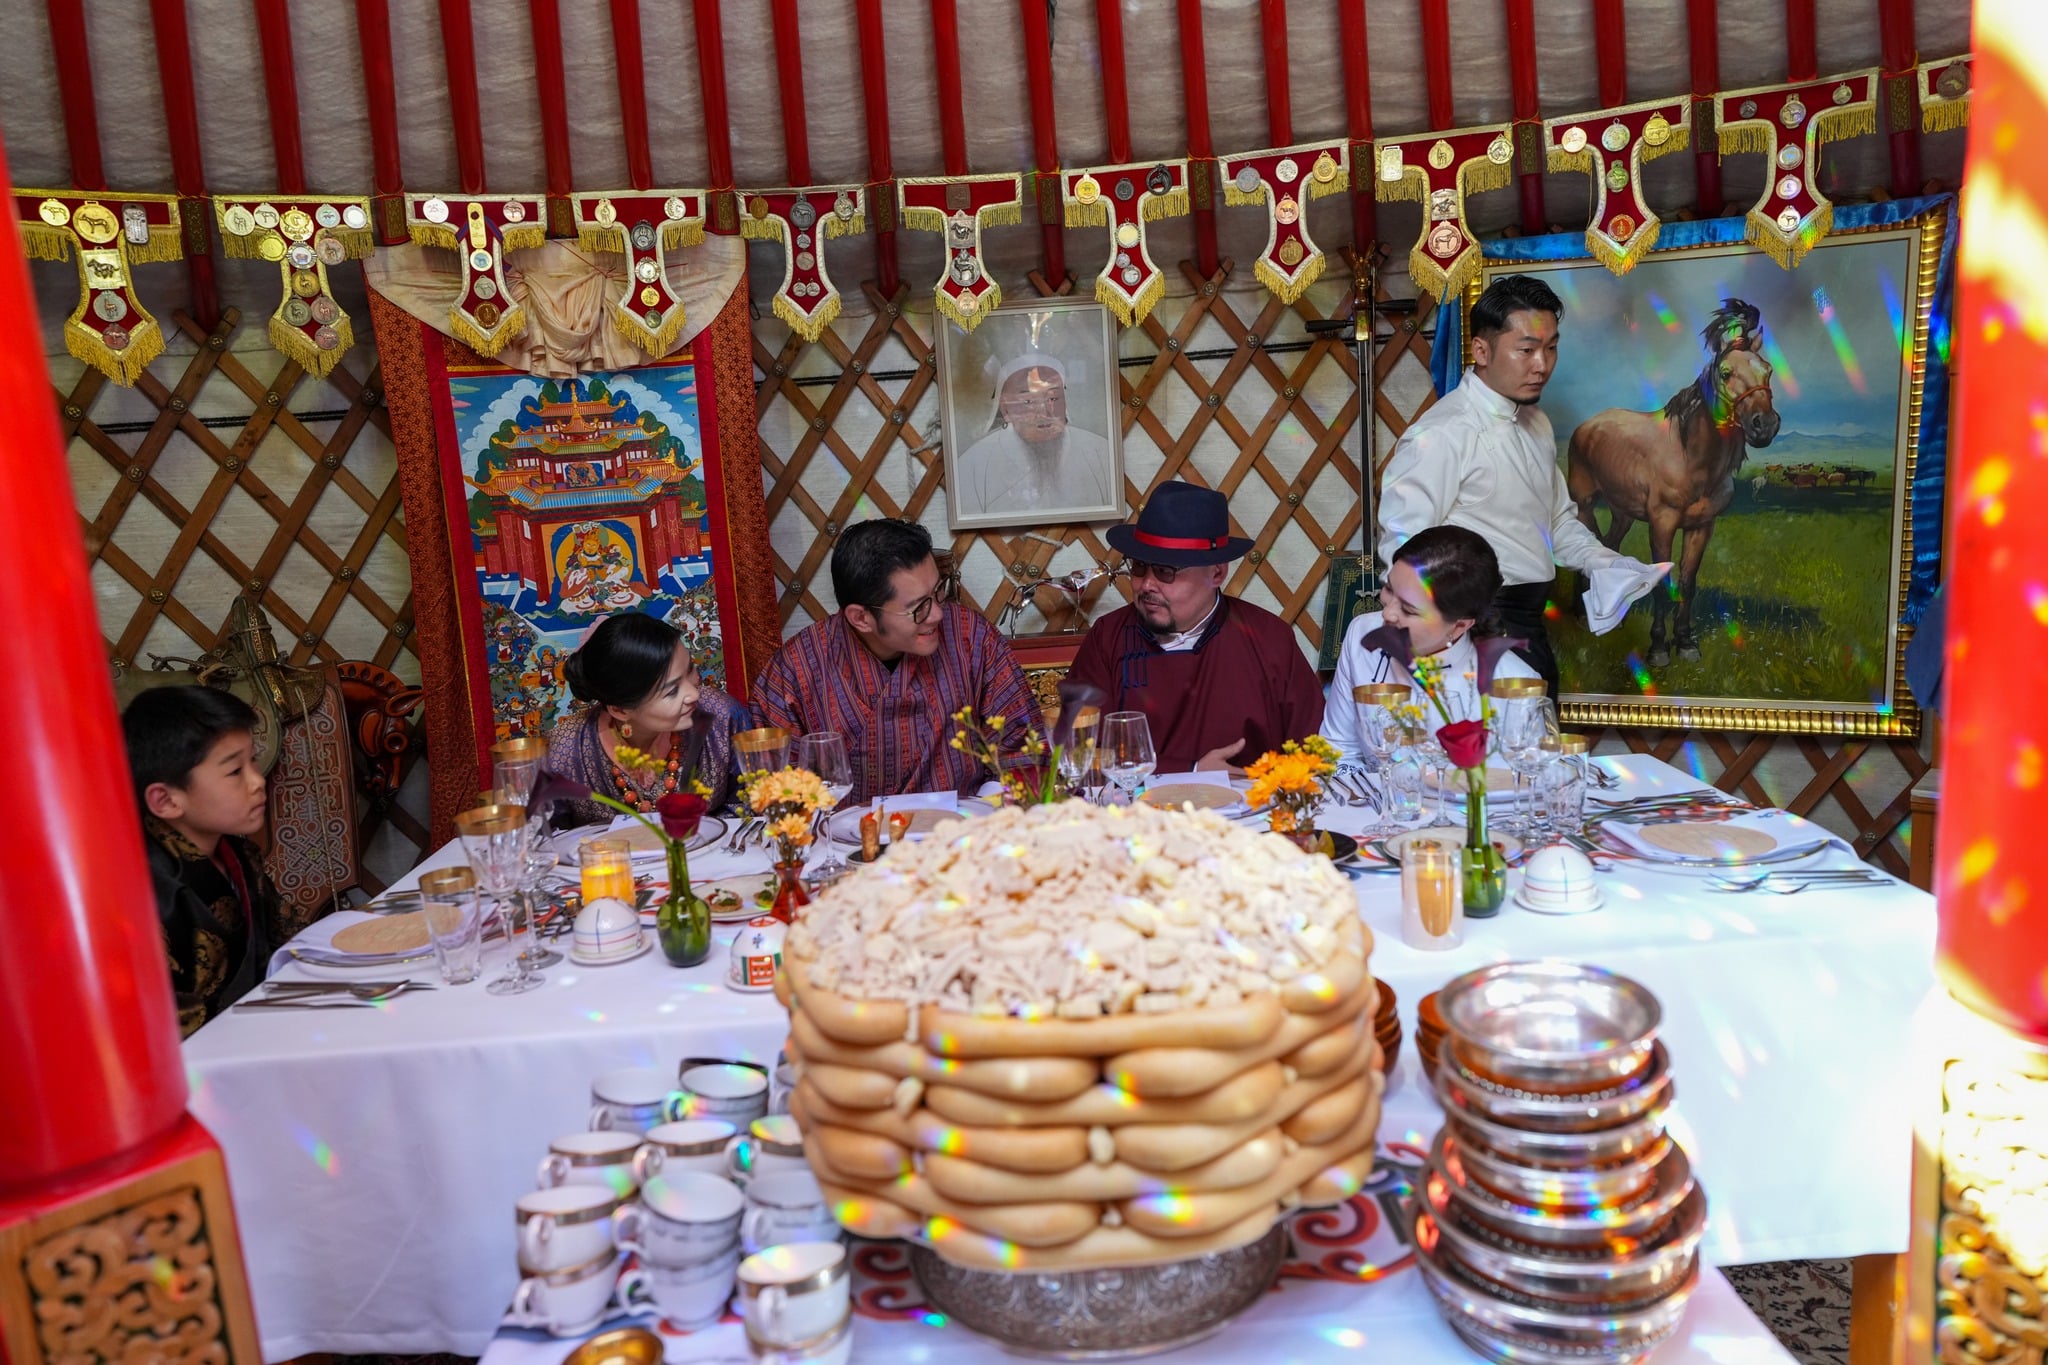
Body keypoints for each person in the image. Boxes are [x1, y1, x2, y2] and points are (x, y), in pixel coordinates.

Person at [1377, 272, 1669, 695]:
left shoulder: (1536, 424)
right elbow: (1401, 549)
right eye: (1527, 350)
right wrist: (1441, 646)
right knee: (1480, 760)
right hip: (1467, 637)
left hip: (1529, 626)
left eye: (1551, 349)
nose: (1542, 365)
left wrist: (1605, 562)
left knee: (1532, 755)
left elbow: (1556, 522)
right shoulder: (1441, 434)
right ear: (1481, 349)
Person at [752, 517, 1040, 803]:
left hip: (963, 833)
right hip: (845, 842)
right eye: (918, 607)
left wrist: (981, 813)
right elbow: (777, 791)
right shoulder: (795, 670)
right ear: (861, 618)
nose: (938, 614)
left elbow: (1023, 754)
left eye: (939, 592)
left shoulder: (972, 637)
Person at [1065, 481, 1324, 773]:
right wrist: (1192, 771)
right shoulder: (1108, 638)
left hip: (1250, 814)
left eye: (1165, 570)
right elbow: (1077, 754)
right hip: (1140, 814)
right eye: (1138, 567)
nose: (1147, 585)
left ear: (1217, 572)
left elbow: (1312, 751)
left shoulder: (1268, 638)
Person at [122, 685, 290, 1038]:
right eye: (234, 772)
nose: (258, 781)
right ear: (165, 801)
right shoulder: (145, 894)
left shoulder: (237, 852)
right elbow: (166, 1029)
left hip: (268, 1028)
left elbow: (286, 937)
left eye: (253, 761)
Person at [1322, 525, 1540, 767]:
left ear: (1459, 626)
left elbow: (1528, 783)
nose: (1388, 613)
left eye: (1408, 609)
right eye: (1388, 589)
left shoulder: (1513, 683)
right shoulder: (1362, 634)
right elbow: (1338, 751)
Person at [548, 612, 747, 821]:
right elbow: (544, 838)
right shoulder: (566, 749)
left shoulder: (722, 718)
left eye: (690, 670)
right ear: (620, 710)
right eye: (671, 692)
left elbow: (749, 810)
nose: (694, 694)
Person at [953, 354, 1117, 519]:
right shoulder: (974, 464)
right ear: (1005, 409)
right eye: (1028, 401)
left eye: (1053, 398)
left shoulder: (1099, 452)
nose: (1044, 412)